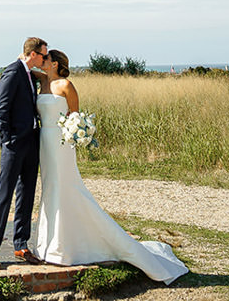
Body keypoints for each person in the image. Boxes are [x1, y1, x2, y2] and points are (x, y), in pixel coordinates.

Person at [30, 49, 188, 283]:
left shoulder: (66, 85)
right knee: (51, 189)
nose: (43, 62)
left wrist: (75, 132)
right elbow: (25, 67)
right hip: (44, 142)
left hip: (61, 144)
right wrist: (31, 58)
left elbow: (75, 115)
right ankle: (49, 244)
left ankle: (66, 247)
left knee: (66, 188)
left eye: (46, 59)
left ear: (55, 64)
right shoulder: (42, 81)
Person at [0, 36, 48, 269]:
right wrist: (7, 139)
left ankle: (21, 244)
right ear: (33, 54)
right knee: (5, 195)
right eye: (43, 55)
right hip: (14, 144)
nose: (45, 58)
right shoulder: (12, 72)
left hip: (31, 142)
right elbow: (2, 108)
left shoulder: (30, 74)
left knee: (26, 194)